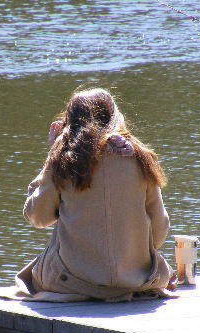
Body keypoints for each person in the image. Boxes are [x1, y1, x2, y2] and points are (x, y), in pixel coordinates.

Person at [12, 88, 175, 302]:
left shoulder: (64, 161)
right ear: (114, 117)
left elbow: (38, 217)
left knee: (32, 274)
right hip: (138, 280)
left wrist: (52, 157)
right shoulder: (141, 158)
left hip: (73, 282)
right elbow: (159, 232)